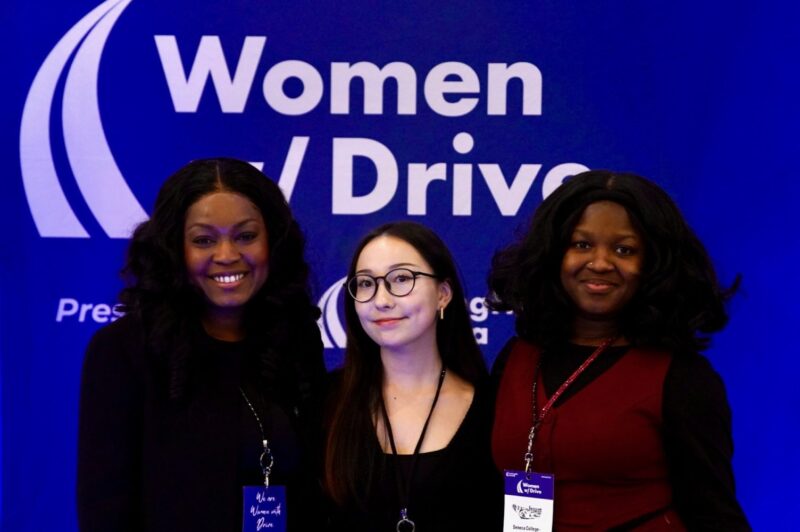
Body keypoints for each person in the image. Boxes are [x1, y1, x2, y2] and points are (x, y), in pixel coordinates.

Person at [488, 170, 750, 530]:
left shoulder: (683, 379)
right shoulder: (517, 356)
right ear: (551, 253)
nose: (599, 262)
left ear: (655, 264)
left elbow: (713, 513)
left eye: (624, 249)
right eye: (581, 244)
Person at [77, 157, 326, 531]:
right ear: (174, 248)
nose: (226, 255)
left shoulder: (294, 336)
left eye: (245, 236)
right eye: (203, 240)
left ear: (272, 241)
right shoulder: (121, 350)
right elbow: (105, 511)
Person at [324, 221, 502, 531]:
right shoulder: (327, 400)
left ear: (443, 294)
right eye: (366, 283)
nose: (381, 300)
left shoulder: (492, 407)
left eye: (402, 278)